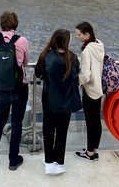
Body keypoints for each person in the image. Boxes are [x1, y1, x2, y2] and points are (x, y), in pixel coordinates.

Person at [0, 11, 29, 171]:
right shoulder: (22, 41)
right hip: (20, 87)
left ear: (1, 24)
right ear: (16, 24)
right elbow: (26, 62)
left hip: (2, 87)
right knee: (16, 123)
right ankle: (13, 160)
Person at [35, 29, 82, 175]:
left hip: (49, 100)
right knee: (62, 132)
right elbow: (76, 75)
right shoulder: (73, 57)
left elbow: (38, 73)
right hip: (66, 101)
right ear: (66, 42)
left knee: (48, 131)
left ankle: (49, 161)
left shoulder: (45, 56)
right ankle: (59, 161)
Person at [73, 21, 104, 162]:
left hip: (90, 90)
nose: (77, 37)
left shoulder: (86, 51)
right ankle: (94, 149)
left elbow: (86, 75)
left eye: (79, 34)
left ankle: (90, 153)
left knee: (90, 122)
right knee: (96, 121)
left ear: (87, 34)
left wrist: (77, 83)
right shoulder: (99, 44)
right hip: (99, 88)